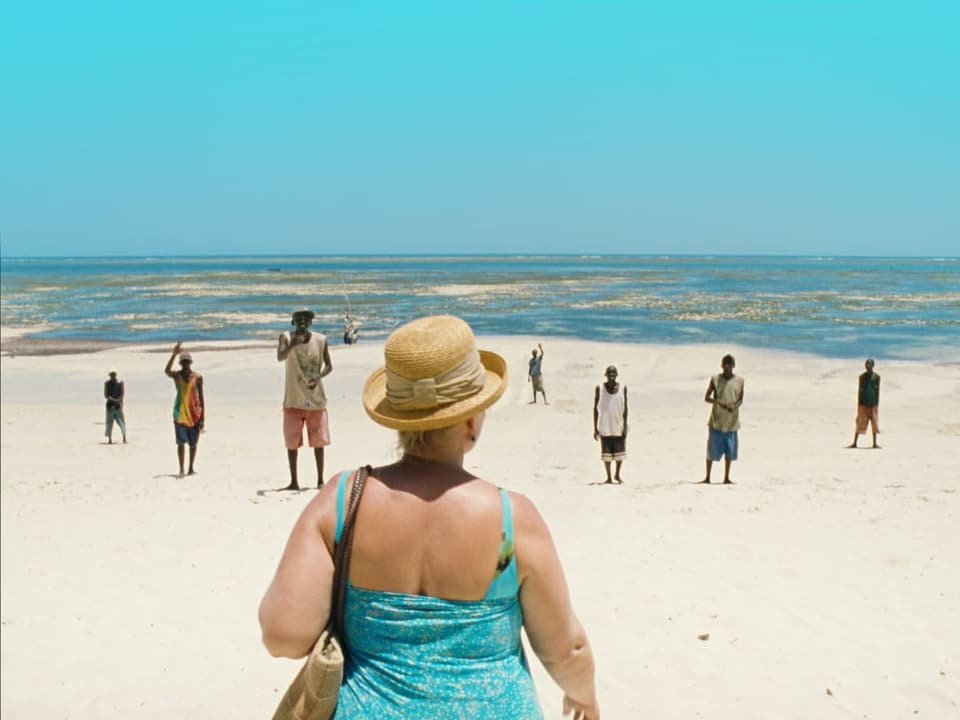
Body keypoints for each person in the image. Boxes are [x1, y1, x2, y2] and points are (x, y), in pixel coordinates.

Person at [260, 315, 599, 720]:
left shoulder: (344, 504)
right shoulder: (509, 525)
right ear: (471, 419)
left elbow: (283, 635)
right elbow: (567, 648)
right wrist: (583, 696)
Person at [278, 308, 333, 491]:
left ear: (311, 322)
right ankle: (294, 481)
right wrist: (293, 344)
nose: (302, 321)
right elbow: (280, 356)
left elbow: (329, 365)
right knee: (292, 442)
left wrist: (318, 377)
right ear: (292, 321)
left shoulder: (320, 340)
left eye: (306, 318)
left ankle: (320, 480)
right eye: (298, 318)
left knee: (318, 441)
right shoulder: (285, 337)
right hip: (293, 397)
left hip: (315, 398)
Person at [701, 354, 744, 485]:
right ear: (721, 365)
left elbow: (740, 399)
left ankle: (726, 477)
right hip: (716, 421)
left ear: (733, 366)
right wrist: (718, 402)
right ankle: (707, 477)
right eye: (725, 364)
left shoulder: (740, 381)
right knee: (711, 451)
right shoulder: (715, 379)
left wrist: (734, 406)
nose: (727, 367)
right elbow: (707, 397)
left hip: (732, 422)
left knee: (729, 452)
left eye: (729, 364)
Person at [164, 343, 204, 478]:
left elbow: (201, 398)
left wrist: (203, 417)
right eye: (183, 362)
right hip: (179, 414)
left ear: (190, 362)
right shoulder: (177, 376)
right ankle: (181, 469)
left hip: (194, 414)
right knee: (181, 443)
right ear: (181, 363)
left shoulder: (198, 378)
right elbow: (167, 371)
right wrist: (173, 354)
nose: (185, 364)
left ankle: (191, 468)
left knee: (193, 444)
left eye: (187, 362)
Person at [593, 366, 627, 484]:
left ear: (616, 374)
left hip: (618, 424)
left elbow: (625, 408)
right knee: (606, 453)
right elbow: (595, 408)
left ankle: (617, 474)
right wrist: (595, 428)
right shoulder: (600, 388)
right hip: (605, 424)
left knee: (619, 453)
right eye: (609, 373)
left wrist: (625, 425)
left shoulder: (623, 388)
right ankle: (608, 477)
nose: (611, 374)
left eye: (613, 372)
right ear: (606, 374)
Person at [848, 358, 881, 449]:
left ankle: (874, 443)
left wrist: (876, 403)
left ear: (873, 366)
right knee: (860, 423)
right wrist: (859, 405)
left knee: (874, 425)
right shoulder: (862, 377)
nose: (867, 366)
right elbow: (860, 391)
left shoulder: (877, 377)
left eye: (869, 364)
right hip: (863, 404)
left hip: (873, 404)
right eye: (866, 364)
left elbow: (877, 391)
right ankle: (854, 443)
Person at [103, 369, 127, 444]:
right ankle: (110, 439)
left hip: (118, 405)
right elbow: (106, 395)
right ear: (110, 375)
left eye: (114, 374)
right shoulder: (107, 383)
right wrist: (114, 400)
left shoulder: (120, 383)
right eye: (111, 375)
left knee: (122, 423)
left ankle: (124, 438)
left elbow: (122, 393)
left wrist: (119, 401)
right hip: (110, 406)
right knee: (109, 424)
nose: (113, 376)